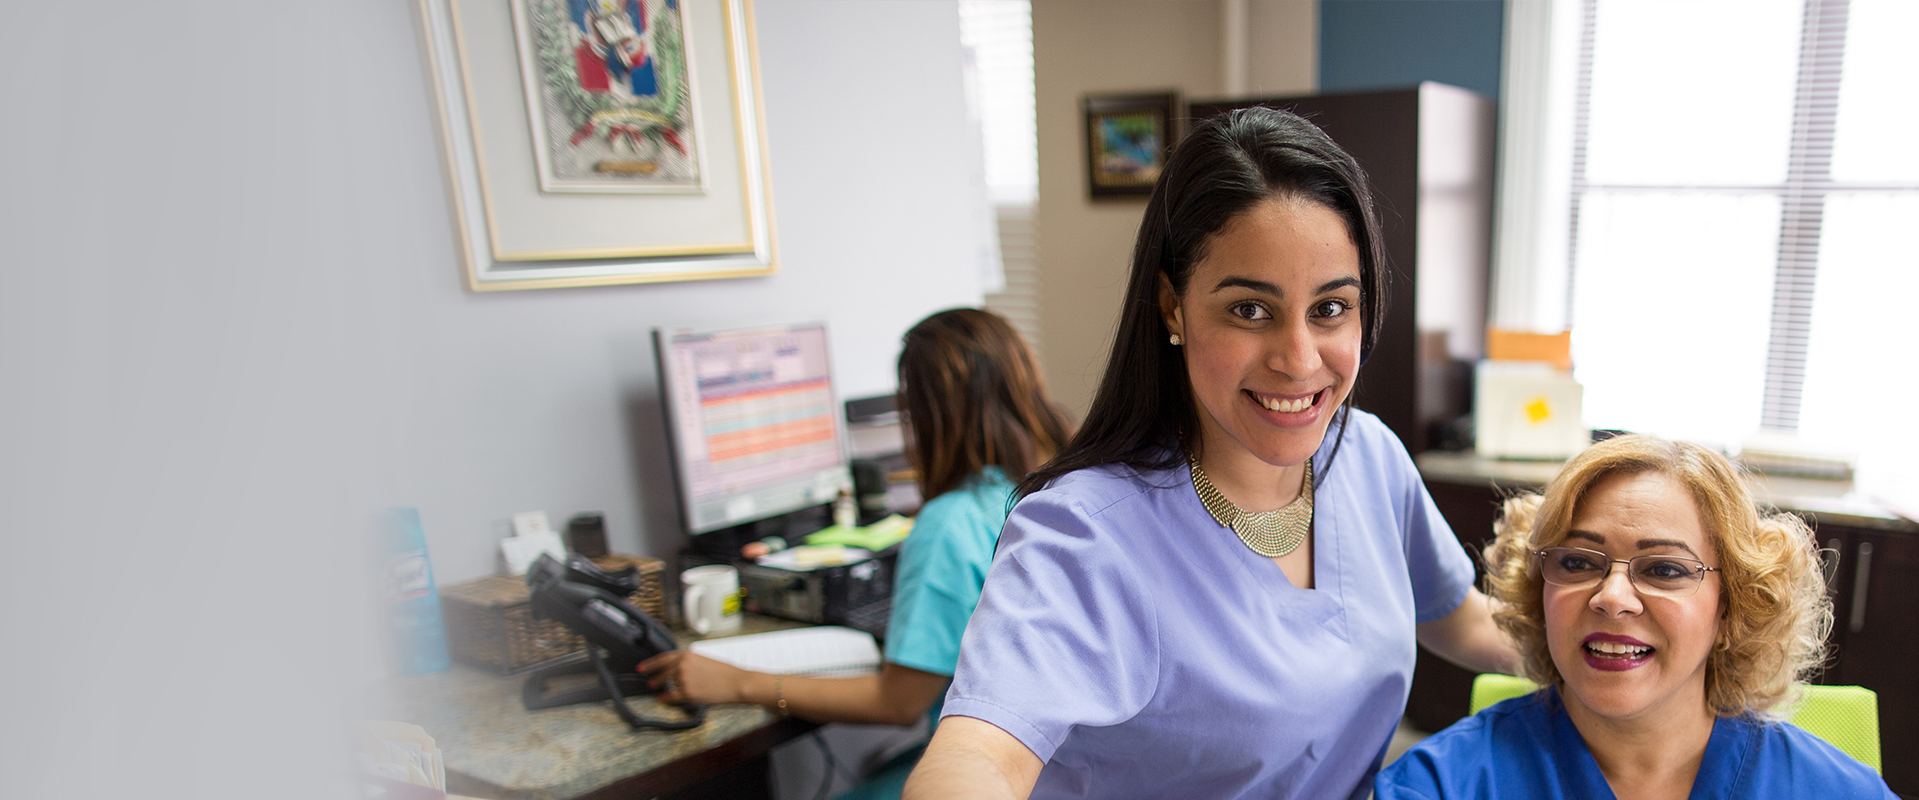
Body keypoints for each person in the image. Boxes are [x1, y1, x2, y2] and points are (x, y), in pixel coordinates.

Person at [901, 107, 1519, 800]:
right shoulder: (1083, 534)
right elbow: (978, 756)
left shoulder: (1367, 454)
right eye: (1250, 310)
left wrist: (1617, 656)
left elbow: (1460, 620)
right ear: (1172, 307)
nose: (1298, 359)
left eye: (1330, 308)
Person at [639, 308, 1069, 800]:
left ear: (925, 416)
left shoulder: (951, 523)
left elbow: (899, 702)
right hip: (1059, 761)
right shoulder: (1063, 478)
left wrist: (738, 684)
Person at [1375, 435, 1892, 799]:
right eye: (1577, 562)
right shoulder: (1439, 785)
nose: (1613, 597)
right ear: (1538, 593)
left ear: (1732, 606)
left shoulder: (1841, 791)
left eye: (1665, 569)